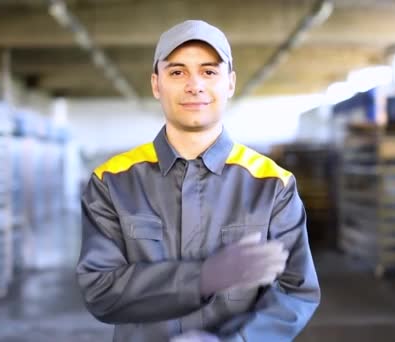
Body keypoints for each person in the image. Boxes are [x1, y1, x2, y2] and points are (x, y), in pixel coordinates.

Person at [77, 19, 320, 342]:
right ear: (156, 83)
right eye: (177, 72)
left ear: (230, 83)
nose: (195, 85)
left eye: (209, 71)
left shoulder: (272, 185)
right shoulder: (112, 182)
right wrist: (201, 278)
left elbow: (297, 291)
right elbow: (99, 290)